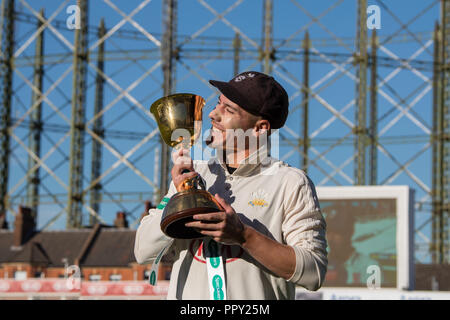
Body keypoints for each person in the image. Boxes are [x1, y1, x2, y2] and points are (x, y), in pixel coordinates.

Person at [134, 71, 327, 299]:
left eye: (229, 110)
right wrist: (177, 193)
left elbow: (314, 272)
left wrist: (244, 236)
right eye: (218, 104)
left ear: (260, 128)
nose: (213, 115)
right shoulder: (194, 174)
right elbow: (142, 252)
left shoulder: (290, 182)